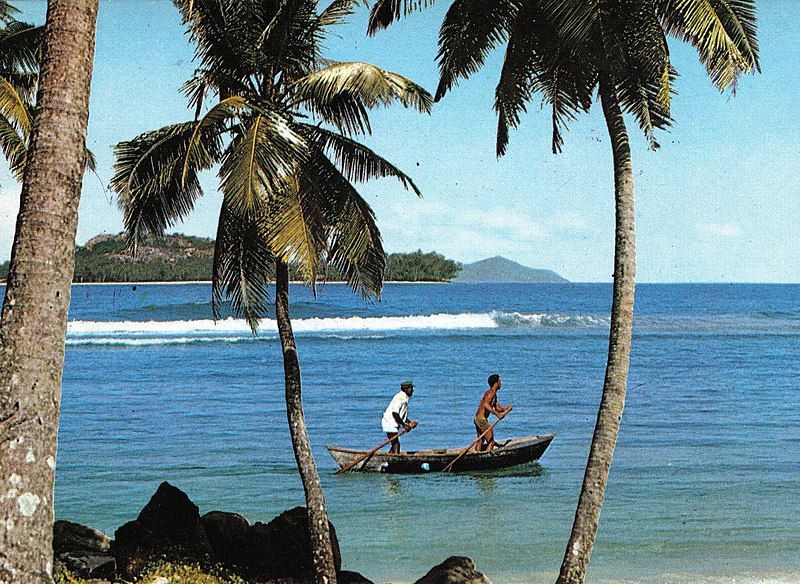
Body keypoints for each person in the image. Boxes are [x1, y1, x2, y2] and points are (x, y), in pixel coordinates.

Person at [474, 374, 511, 452]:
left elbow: (497, 408)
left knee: (480, 440)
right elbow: (486, 404)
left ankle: (476, 455)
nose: (501, 383)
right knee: (491, 441)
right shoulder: (490, 393)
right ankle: (486, 458)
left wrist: (506, 408)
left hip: (478, 418)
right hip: (481, 419)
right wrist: (497, 415)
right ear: (496, 383)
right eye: (500, 381)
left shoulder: (494, 395)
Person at [381, 381, 417, 454]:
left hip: (393, 423)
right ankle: (393, 460)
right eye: (411, 389)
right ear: (406, 389)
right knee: (396, 444)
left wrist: (409, 422)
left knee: (394, 443)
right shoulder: (400, 397)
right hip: (389, 422)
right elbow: (395, 413)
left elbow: (402, 416)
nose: (412, 390)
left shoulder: (405, 397)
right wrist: (404, 425)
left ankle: (388, 459)